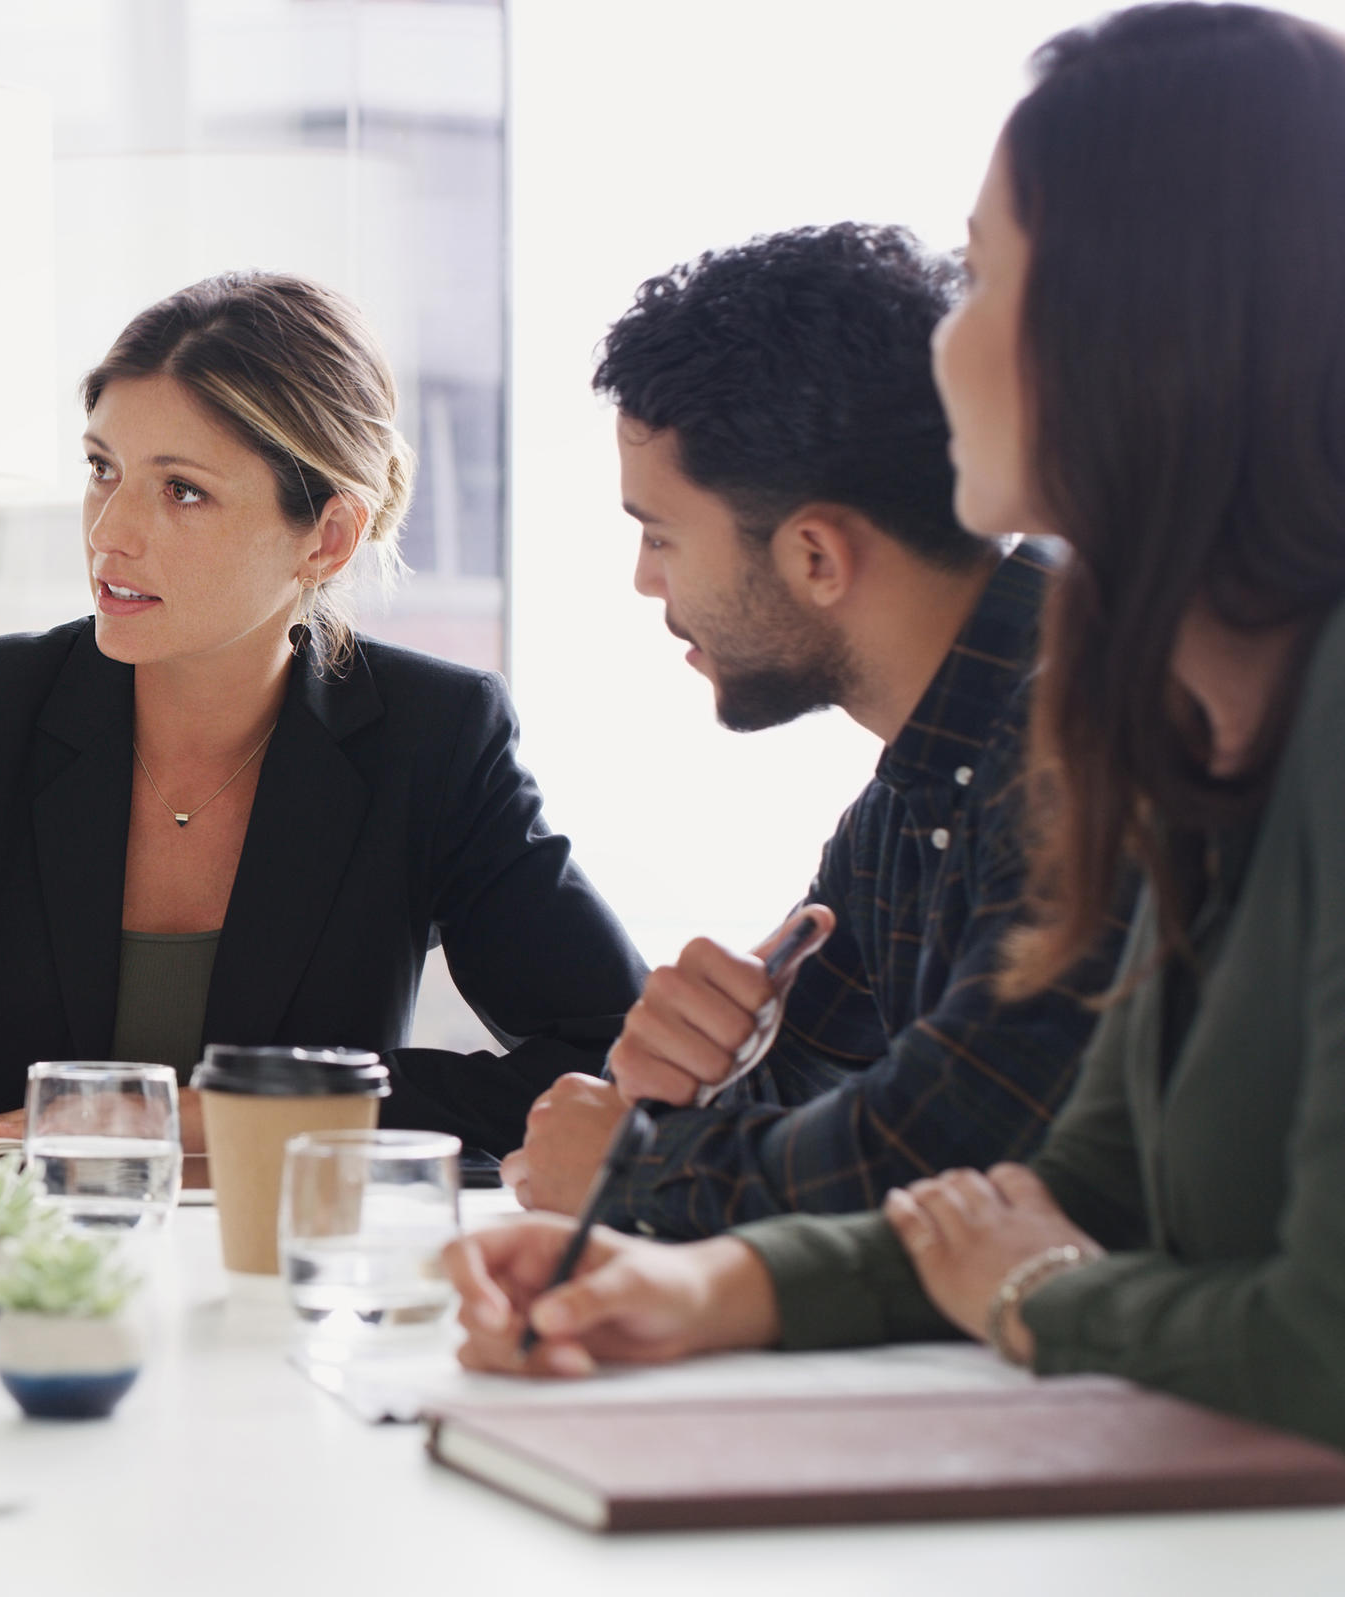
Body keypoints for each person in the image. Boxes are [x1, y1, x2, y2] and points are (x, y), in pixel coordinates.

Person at [447, 2, 1345, 1450]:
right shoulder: (1178, 732)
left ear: (1144, 326)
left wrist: (1042, 1299)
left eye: (984, 278)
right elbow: (1069, 1194)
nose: (943, 353)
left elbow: (1294, 1335)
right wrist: (700, 1287)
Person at [0, 273, 646, 1155]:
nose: (110, 532)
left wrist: (226, 1118)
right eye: (102, 470)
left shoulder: (435, 737)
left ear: (326, 537)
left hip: (269, 1287)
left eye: (184, 493)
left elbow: (613, 1061)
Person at [496, 225, 1118, 1234]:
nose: (645, 580)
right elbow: (818, 1104)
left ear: (816, 557)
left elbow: (953, 1161)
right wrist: (697, 1077)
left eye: (659, 535)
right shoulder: (910, 797)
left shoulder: (1078, 745)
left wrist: (636, 1168)